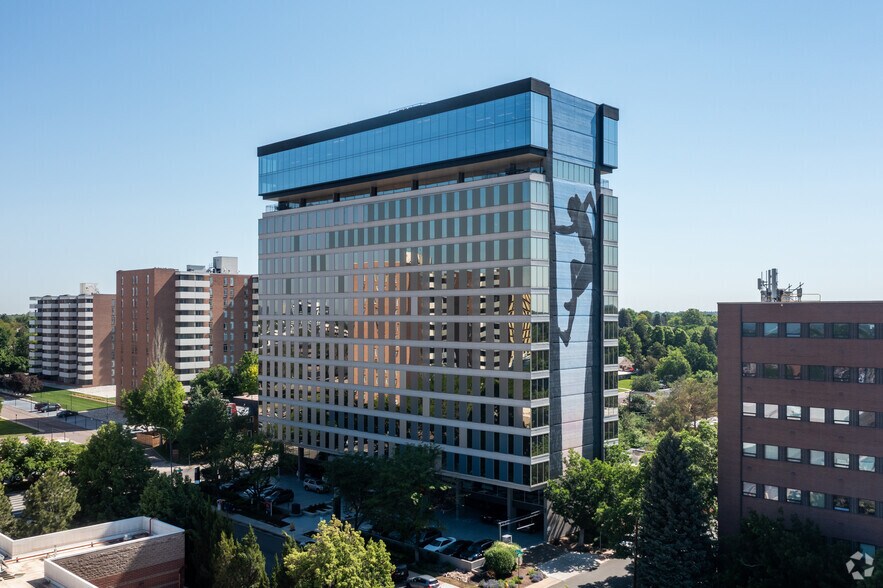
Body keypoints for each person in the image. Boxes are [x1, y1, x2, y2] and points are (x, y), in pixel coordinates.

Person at [554, 192, 596, 345]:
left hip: (592, 262)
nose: (570, 216)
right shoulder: (579, 220)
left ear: (573, 210)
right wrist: (554, 227)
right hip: (589, 262)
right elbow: (567, 229)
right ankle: (567, 333)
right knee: (573, 265)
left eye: (569, 213)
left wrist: (597, 215)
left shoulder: (580, 215)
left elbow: (590, 195)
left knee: (575, 295)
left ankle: (568, 332)